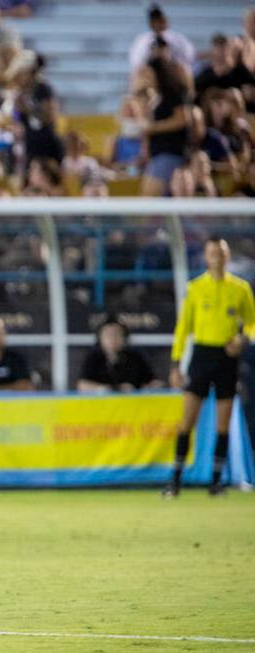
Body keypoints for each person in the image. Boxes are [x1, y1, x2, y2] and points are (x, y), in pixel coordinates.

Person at [164, 238, 255, 498]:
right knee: (187, 421)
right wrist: (175, 364)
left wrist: (243, 338)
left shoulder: (240, 289)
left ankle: (216, 482)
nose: (217, 256)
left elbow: (252, 322)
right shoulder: (195, 288)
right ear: (206, 256)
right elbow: (183, 329)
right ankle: (175, 480)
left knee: (223, 424)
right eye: (213, 251)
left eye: (222, 252)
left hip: (227, 357)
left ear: (227, 255)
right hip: (202, 356)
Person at [140, 56, 189, 196]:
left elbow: (181, 119)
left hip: (169, 154)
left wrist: (153, 127)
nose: (146, 76)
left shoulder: (173, 93)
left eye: (149, 72)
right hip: (157, 155)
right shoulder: (157, 97)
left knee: (149, 202)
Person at [77, 317, 162, 393]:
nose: (112, 339)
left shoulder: (135, 356)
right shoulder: (93, 358)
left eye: (117, 334)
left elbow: (155, 383)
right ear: (100, 338)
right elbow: (82, 385)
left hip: (134, 405)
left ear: (125, 338)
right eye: (108, 335)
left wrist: (142, 390)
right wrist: (113, 389)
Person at [129, 4, 195, 72]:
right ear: (150, 23)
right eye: (154, 20)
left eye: (159, 20)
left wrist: (170, 58)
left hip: (172, 73)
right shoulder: (142, 41)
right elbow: (135, 62)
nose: (157, 23)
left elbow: (189, 57)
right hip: (151, 74)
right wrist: (152, 56)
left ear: (165, 20)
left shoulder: (177, 39)